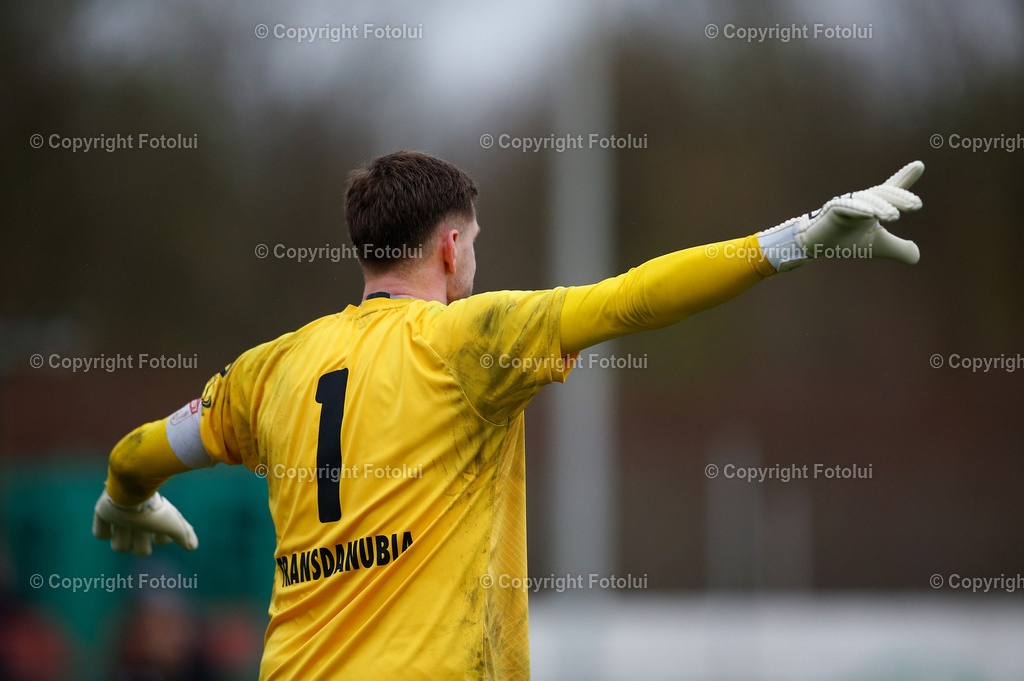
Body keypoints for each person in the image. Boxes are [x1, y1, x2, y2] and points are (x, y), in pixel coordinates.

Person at [92, 151, 925, 679]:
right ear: (451, 247)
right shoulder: (465, 341)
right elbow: (629, 301)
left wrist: (125, 498)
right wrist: (797, 239)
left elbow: (145, 448)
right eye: (476, 241)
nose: (476, 259)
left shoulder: (269, 370)